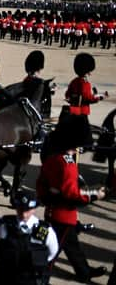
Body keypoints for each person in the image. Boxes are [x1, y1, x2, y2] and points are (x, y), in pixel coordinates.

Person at [36, 115, 107, 283]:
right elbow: (71, 194)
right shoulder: (68, 165)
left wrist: (50, 196)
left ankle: (84, 272)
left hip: (52, 211)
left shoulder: (52, 159)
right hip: (64, 216)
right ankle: (40, 278)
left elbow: (41, 184)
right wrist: (94, 196)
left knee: (72, 245)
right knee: (52, 251)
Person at [0, 189, 58, 285]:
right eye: (20, 209)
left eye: (28, 210)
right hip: (6, 277)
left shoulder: (46, 230)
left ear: (34, 209)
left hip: (32, 279)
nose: (24, 214)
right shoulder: (1, 225)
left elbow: (52, 253)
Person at [65, 53, 107, 117]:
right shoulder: (85, 83)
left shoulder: (74, 81)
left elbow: (67, 94)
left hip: (73, 110)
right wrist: (99, 97)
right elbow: (87, 98)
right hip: (82, 112)